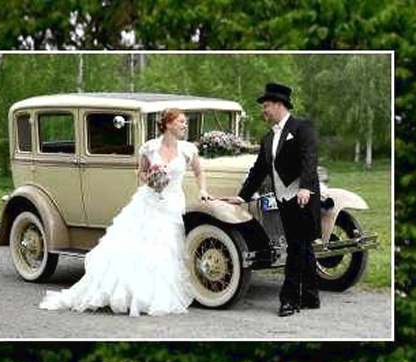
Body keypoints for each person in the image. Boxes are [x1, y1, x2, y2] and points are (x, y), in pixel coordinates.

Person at [39, 109, 208, 316]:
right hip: (149, 201)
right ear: (169, 124)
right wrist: (152, 178)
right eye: (181, 122)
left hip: (172, 203)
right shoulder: (150, 147)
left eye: (184, 122)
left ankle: (156, 293)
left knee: (167, 248)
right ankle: (132, 294)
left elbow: (199, 172)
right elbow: (141, 173)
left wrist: (202, 191)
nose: (185, 125)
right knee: (136, 247)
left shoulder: (187, 149)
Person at [229, 82, 320, 317]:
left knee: (297, 247)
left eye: (267, 106)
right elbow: (259, 170)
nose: (264, 111)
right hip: (283, 199)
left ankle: (288, 300)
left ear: (280, 105)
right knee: (303, 246)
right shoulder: (268, 138)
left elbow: (310, 159)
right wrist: (241, 197)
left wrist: (306, 188)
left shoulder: (302, 127)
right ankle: (311, 296)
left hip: (302, 197)